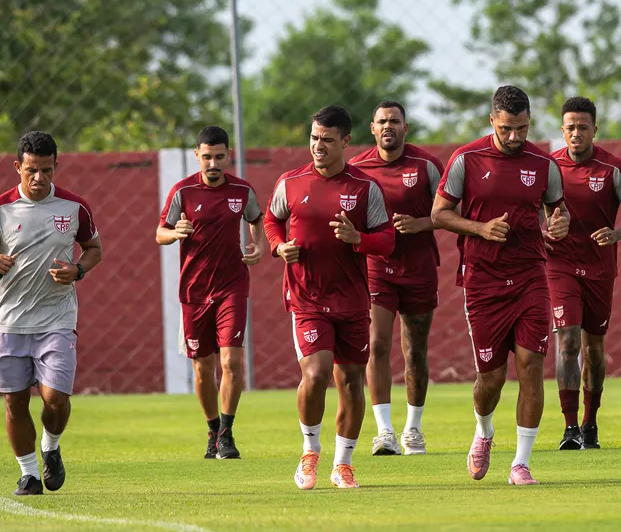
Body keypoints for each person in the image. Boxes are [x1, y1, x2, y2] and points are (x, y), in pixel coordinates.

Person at [431, 86, 570, 486]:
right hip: (483, 282)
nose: (515, 137)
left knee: (531, 366)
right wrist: (479, 228)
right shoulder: (466, 159)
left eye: (522, 128)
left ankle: (521, 463)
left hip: (530, 277)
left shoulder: (543, 165)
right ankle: (484, 432)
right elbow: (439, 214)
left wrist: (559, 225)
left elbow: (557, 212)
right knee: (490, 380)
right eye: (507, 128)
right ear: (492, 120)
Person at [0, 131, 102, 496]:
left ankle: (51, 446)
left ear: (56, 166)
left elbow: (93, 248)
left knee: (56, 398)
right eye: (30, 170)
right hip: (8, 320)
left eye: (45, 170)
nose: (38, 178)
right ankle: (27, 474)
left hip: (56, 317)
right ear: (17, 168)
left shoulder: (75, 207)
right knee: (15, 401)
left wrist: (78, 270)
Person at [264, 105, 394, 489]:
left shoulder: (365, 188)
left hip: (352, 301)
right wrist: (278, 246)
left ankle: (343, 463)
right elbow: (272, 220)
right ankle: (309, 452)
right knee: (317, 373)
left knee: (351, 380)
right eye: (314, 138)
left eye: (327, 140)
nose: (318, 146)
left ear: (346, 142)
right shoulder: (290, 182)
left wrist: (360, 240)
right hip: (306, 297)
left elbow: (386, 240)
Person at [157, 125, 264, 460]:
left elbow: (257, 220)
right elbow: (160, 232)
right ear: (197, 156)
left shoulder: (242, 191)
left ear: (228, 155)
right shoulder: (182, 191)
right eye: (207, 157)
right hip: (194, 291)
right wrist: (175, 232)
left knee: (231, 360)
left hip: (232, 286)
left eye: (219, 157)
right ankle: (213, 429)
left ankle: (228, 434)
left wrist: (259, 246)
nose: (213, 163)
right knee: (203, 367)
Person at [547, 97, 621, 450]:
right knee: (568, 341)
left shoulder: (613, 168)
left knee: (593, 347)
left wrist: (616, 233)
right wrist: (546, 230)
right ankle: (570, 427)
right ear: (562, 130)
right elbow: (529, 212)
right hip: (559, 267)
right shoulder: (548, 167)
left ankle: (590, 424)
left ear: (595, 129)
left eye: (583, 127)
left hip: (600, 269)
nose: (576, 133)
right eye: (570, 127)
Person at [349, 101, 444, 456]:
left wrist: (422, 223)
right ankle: (384, 432)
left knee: (414, 350)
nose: (388, 126)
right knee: (377, 344)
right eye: (382, 121)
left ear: (406, 128)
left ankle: (413, 428)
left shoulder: (426, 165)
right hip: (376, 268)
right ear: (372, 128)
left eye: (395, 121)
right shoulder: (357, 168)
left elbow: (456, 212)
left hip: (418, 269)